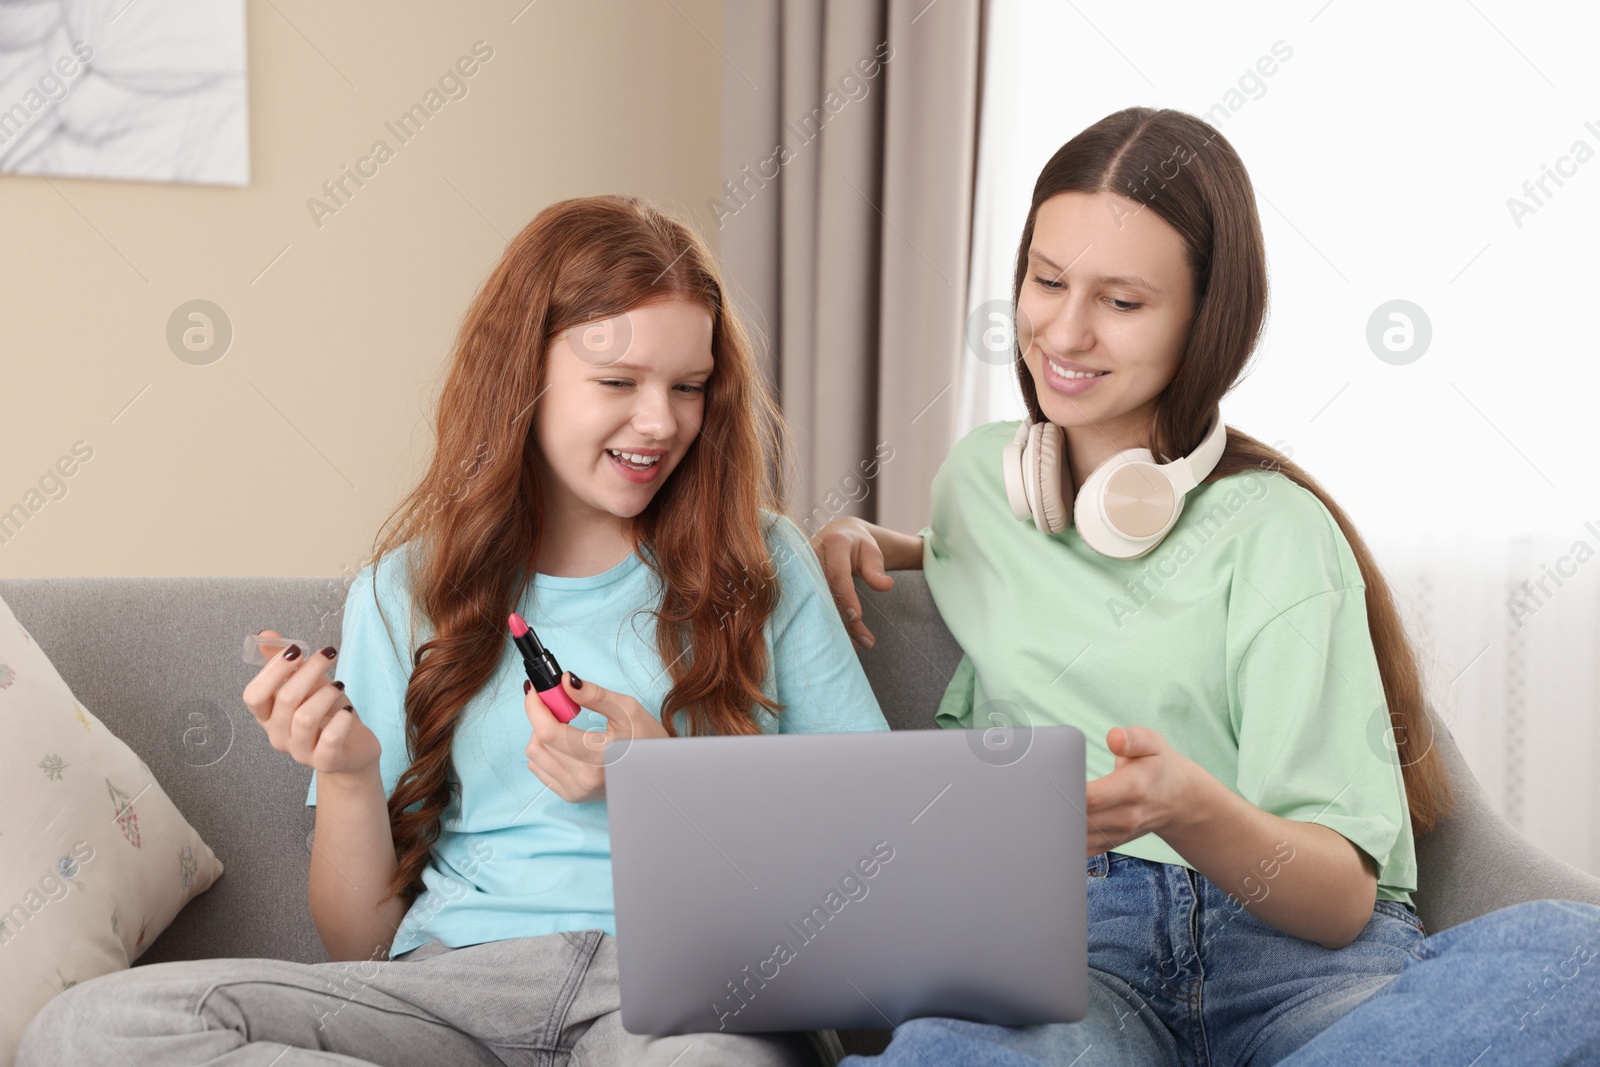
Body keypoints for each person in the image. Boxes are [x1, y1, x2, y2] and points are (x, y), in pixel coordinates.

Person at [19, 195, 888, 1067]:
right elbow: (358, 947)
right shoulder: (404, 590)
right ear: (526, 379)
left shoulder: (761, 562)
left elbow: (874, 855)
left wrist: (666, 782)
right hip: (453, 994)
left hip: (684, 991)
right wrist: (351, 774)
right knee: (88, 1028)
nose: (662, 421)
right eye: (619, 383)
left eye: (688, 387)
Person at [811, 108, 1600, 1065]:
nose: (1064, 329)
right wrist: (865, 536)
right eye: (1047, 280)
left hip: (1296, 967)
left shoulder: (1277, 534)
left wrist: (1188, 807)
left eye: (1123, 302)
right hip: (1075, 957)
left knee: (1575, 955)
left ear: (1205, 316)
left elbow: (1342, 899)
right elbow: (961, 557)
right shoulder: (985, 487)